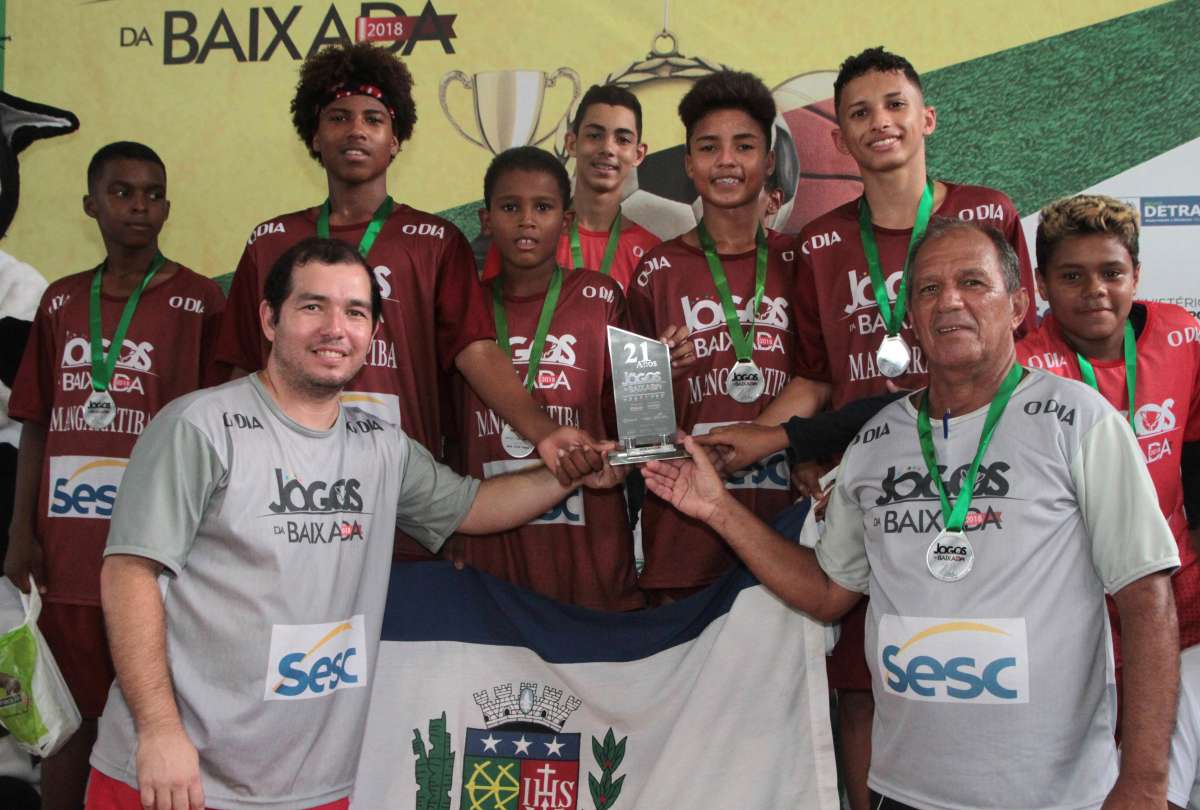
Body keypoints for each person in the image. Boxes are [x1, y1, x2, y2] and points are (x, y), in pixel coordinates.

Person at [644, 217, 1180, 810]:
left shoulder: (1080, 421)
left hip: (1053, 794)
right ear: (909, 319)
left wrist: (1145, 781)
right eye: (927, 289)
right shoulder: (876, 442)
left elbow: (1146, 596)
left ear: (1019, 305)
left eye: (973, 283)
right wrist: (717, 510)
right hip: (905, 789)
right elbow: (827, 590)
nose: (949, 300)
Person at [85, 237, 618, 810]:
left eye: (355, 312)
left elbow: (474, 507)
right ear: (269, 319)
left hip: (320, 787)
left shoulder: (380, 446)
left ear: (372, 334)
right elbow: (130, 574)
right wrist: (160, 731)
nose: (335, 328)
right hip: (179, 777)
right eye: (313, 306)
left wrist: (570, 472)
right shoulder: (200, 427)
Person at [694, 47, 1039, 807]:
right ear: (838, 140)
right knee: (862, 675)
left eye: (893, 104)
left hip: (984, 480)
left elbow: (1029, 350)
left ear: (927, 118)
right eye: (858, 113)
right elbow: (816, 378)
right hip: (871, 485)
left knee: (984, 653)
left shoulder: (988, 212)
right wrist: (768, 441)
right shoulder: (819, 242)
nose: (879, 122)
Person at [213, 42, 603, 566]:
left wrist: (545, 432)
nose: (356, 130)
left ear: (395, 140)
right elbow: (239, 373)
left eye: (374, 119)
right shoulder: (270, 242)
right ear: (313, 134)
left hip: (403, 499)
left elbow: (476, 352)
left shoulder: (435, 240)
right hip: (289, 495)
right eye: (338, 117)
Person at [4, 141, 224, 810]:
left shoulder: (199, 301)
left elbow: (218, 434)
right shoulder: (62, 301)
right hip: (67, 555)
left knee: (158, 720)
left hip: (156, 555)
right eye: (123, 192)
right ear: (90, 205)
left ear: (167, 207)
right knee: (69, 725)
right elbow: (36, 425)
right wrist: (21, 534)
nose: (139, 206)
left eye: (152, 194)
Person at [627, 70, 802, 604]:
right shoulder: (655, 270)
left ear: (769, 163)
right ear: (687, 164)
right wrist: (662, 376)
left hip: (789, 519)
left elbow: (824, 385)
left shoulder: (802, 261)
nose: (726, 161)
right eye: (709, 147)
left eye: (744, 146)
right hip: (685, 533)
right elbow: (635, 423)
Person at [448, 146, 643, 610]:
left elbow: (639, 423)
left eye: (543, 207)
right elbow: (447, 431)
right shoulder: (461, 307)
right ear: (486, 219)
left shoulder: (601, 297)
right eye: (510, 207)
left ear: (567, 220)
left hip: (588, 538)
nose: (527, 221)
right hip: (490, 539)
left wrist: (624, 463)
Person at [1017, 194, 1200, 668]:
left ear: (1135, 275)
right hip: (1076, 595)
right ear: (1041, 284)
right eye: (1072, 276)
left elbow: (1197, 451)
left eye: (1112, 273)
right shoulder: (1023, 369)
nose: (1095, 289)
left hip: (1177, 580)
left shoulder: (1182, 334)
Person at [478, 85, 661, 294]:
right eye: (594, 135)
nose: (608, 149)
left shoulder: (652, 253)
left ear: (638, 154)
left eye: (623, 140)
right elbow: (491, 318)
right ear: (572, 143)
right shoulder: (528, 238)